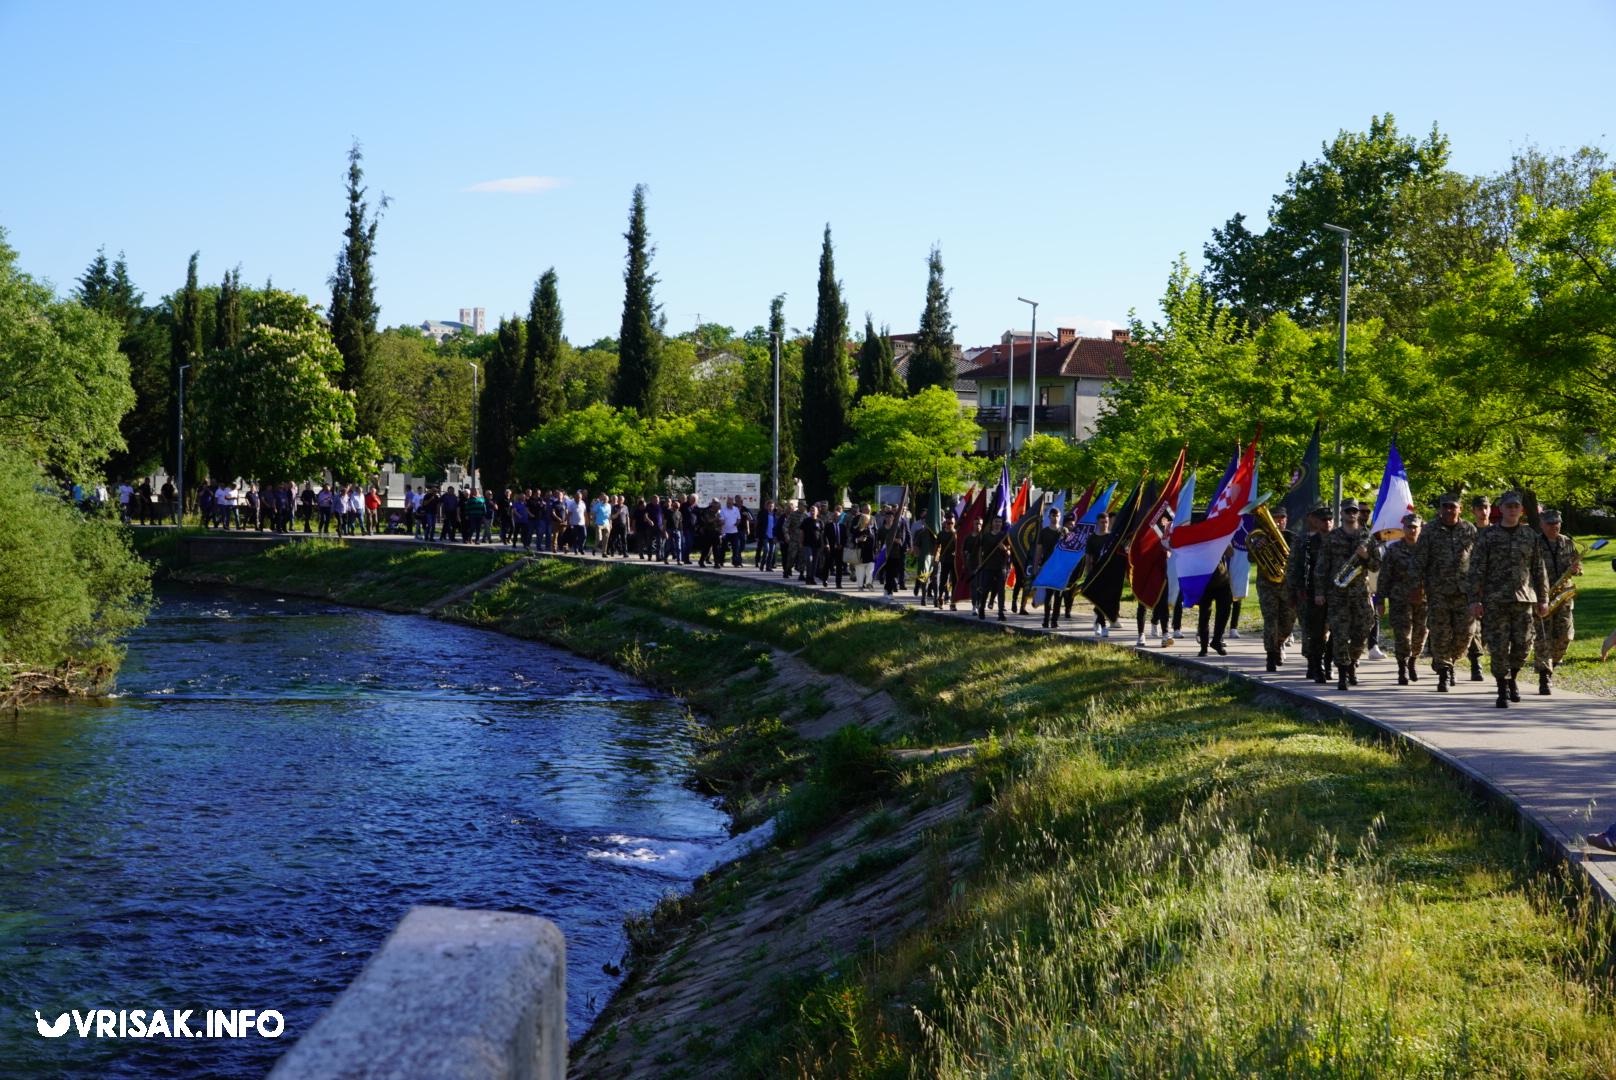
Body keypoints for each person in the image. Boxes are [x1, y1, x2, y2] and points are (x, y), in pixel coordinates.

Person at [1468, 491, 1550, 708]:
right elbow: (1476, 569)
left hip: (1524, 599)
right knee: (1498, 645)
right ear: (1501, 509)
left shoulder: (1529, 535)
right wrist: (1474, 600)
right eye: (1508, 506)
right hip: (1495, 600)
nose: (1512, 509)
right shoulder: (1489, 536)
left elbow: (1538, 570)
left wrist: (1543, 599)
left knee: (1523, 645)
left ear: (1521, 510)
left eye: (1516, 506)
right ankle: (1501, 687)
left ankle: (1512, 678)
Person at [1411, 493, 1479, 691]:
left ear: (1460, 509)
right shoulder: (1430, 530)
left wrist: (1480, 585)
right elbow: (1419, 560)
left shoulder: (1469, 529)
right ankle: (1444, 671)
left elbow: (1478, 558)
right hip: (1438, 591)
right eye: (1445, 507)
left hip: (1464, 591)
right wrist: (1417, 586)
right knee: (1441, 633)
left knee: (1465, 635)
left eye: (1452, 507)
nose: (1449, 510)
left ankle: (1449, 660)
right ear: (1440, 509)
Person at [1314, 500, 1380, 691]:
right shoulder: (1332, 537)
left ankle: (1352, 662)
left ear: (1358, 514)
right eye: (1348, 511)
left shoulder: (1367, 537)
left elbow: (1376, 565)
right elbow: (1321, 567)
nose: (1352, 514)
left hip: (1360, 593)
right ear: (1341, 514)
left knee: (1363, 631)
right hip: (1338, 594)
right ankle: (1343, 673)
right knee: (1340, 634)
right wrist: (1319, 592)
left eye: (1354, 511)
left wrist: (1366, 556)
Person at [1532, 509, 1581, 695]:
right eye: (1550, 523)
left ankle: (1553, 662)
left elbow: (1577, 566)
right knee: (1543, 637)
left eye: (1557, 523)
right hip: (1542, 595)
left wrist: (1576, 569)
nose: (1555, 526)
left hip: (1563, 595)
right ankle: (1544, 676)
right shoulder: (1535, 543)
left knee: (1565, 636)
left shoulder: (1567, 542)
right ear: (1542, 524)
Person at [1379, 512, 1427, 686]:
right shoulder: (1394, 549)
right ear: (1403, 529)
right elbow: (1385, 576)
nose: (1412, 530)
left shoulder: (1427, 549)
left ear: (1421, 528)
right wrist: (1380, 600)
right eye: (1409, 527)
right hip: (1400, 598)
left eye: (1415, 527)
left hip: (1423, 599)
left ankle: (1413, 659)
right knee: (1402, 635)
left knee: (1420, 635)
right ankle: (1402, 667)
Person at [1287, 504, 1332, 683]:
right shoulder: (1304, 541)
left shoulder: (1337, 539)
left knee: (1335, 630)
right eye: (1323, 520)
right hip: (1310, 592)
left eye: (1329, 519)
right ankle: (1314, 664)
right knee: (1313, 631)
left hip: (1335, 592)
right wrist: (1293, 591)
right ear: (1314, 521)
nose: (1327, 523)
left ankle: (1327, 662)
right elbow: (1294, 566)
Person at [1252, 505, 1296, 671]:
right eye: (1275, 518)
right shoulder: (1261, 537)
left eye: (1281, 518)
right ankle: (1270, 656)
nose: (1279, 521)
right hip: (1267, 585)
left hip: (1288, 586)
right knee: (1271, 620)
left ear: (1286, 520)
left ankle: (1278, 645)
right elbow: (1251, 556)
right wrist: (1258, 546)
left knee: (1288, 623)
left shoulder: (1293, 538)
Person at [1463, 493, 1493, 681]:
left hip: (1494, 585)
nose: (1483, 512)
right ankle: (1476, 662)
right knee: (1472, 627)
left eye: (1486, 508)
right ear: (1473, 511)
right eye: (1479, 508)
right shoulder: (1467, 532)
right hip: (1472, 584)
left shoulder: (1496, 531)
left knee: (1491, 626)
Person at [974, 517, 1011, 621]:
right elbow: (980, 550)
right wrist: (980, 563)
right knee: (985, 589)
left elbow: (1009, 552)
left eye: (999, 521)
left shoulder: (1004, 536)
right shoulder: (986, 536)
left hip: (1001, 567)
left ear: (1002, 523)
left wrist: (1004, 549)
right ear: (992, 523)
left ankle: (1000, 613)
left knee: (1001, 590)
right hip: (988, 566)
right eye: (996, 521)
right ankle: (981, 609)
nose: (998, 523)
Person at [1083, 512, 1113, 636]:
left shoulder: (1111, 537)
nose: (1104, 524)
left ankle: (1097, 620)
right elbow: (1088, 557)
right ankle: (1103, 625)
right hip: (1096, 572)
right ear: (1097, 522)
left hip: (1108, 572)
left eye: (1106, 522)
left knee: (1106, 600)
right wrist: (1087, 572)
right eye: (1102, 522)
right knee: (1099, 599)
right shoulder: (1092, 538)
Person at [933, 513, 958, 610]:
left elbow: (959, 546)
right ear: (945, 523)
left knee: (955, 581)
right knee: (943, 580)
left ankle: (953, 602)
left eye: (951, 522)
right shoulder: (941, 533)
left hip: (954, 561)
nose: (950, 524)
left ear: (954, 522)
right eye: (948, 523)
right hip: (944, 560)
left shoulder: (957, 533)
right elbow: (936, 546)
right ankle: (941, 598)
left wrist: (954, 534)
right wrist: (935, 558)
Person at [799, 504, 824, 585]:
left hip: (817, 545)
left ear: (817, 512)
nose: (812, 511)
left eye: (814, 510)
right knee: (809, 560)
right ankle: (808, 577)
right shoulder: (806, 521)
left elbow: (822, 533)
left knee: (815, 562)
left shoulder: (820, 522)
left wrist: (824, 544)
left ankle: (812, 578)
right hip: (807, 544)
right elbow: (802, 532)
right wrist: (801, 542)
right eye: (811, 510)